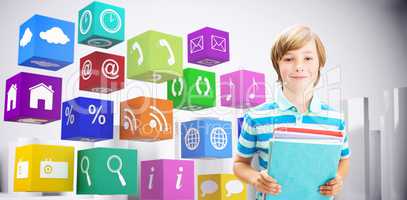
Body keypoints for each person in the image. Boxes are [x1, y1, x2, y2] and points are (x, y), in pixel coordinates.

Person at [233, 25, 350, 200]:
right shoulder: (256, 117)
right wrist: (255, 178)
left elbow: (344, 159)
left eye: (308, 58)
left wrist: (339, 178)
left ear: (320, 63)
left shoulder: (336, 119)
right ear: (277, 65)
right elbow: (239, 164)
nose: (299, 66)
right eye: (289, 59)